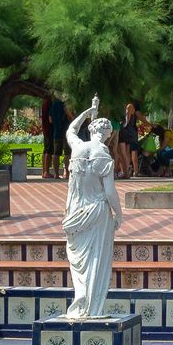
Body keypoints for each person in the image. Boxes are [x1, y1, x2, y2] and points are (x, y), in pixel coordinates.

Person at [60, 96, 119, 319]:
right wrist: (119, 215)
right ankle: (92, 308)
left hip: (76, 213)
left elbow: (70, 131)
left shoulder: (77, 148)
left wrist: (87, 112)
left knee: (80, 262)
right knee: (96, 260)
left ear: (92, 129)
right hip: (97, 212)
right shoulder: (103, 154)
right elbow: (110, 192)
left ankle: (81, 301)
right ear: (108, 135)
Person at [42, 94, 68, 179]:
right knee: (67, 153)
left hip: (56, 132)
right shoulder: (65, 104)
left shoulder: (53, 105)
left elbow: (50, 119)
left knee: (55, 153)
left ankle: (56, 174)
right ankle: (66, 173)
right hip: (65, 131)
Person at [118, 101, 141, 179]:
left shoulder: (129, 106)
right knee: (128, 151)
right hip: (131, 131)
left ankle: (126, 169)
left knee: (124, 152)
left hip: (126, 131)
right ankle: (129, 169)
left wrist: (124, 125)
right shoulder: (133, 108)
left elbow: (127, 118)